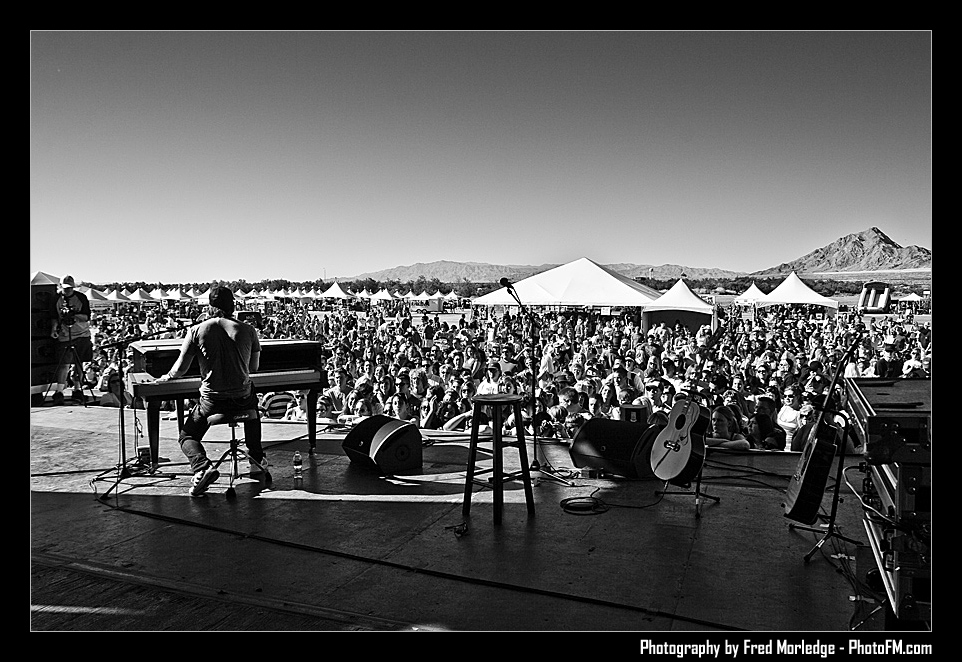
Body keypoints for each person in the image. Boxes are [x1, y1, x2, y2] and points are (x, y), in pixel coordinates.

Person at [153, 287, 268, 497]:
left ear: (210, 306)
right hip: (242, 399)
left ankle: (202, 467)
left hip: (212, 401)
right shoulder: (248, 330)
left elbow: (179, 370)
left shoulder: (196, 331)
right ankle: (257, 459)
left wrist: (166, 377)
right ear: (233, 305)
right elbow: (254, 368)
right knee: (251, 403)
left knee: (187, 435)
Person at [50, 275, 93, 405]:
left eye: (70, 288)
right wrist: (54, 328)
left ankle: (77, 389)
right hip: (65, 335)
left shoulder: (81, 298)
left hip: (81, 334)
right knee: (64, 364)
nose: (67, 290)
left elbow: (86, 317)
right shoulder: (56, 299)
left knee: (79, 364)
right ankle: (59, 391)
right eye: (65, 288)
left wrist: (73, 315)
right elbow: (53, 316)